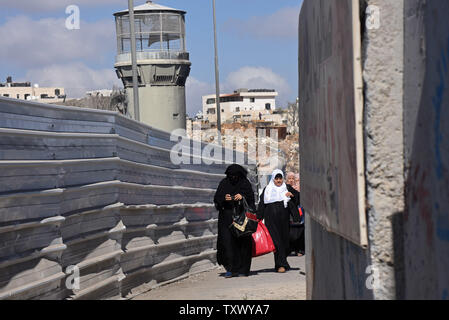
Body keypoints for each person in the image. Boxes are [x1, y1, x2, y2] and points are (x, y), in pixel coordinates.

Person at [214, 164, 256, 278]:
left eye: (235, 176)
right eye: (231, 175)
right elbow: (217, 198)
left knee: (243, 243)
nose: (233, 178)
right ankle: (230, 268)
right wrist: (224, 198)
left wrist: (242, 197)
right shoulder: (224, 183)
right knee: (227, 243)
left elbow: (251, 199)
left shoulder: (245, 183)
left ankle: (243, 269)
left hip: (242, 218)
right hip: (226, 218)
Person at [257, 169, 299, 273]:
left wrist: (292, 195)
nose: (279, 181)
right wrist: (258, 217)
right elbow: (262, 204)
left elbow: (298, 198)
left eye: (280, 178)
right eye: (277, 178)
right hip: (271, 221)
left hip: (284, 221)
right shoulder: (267, 189)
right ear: (273, 179)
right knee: (276, 242)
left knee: (285, 242)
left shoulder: (287, 188)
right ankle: (280, 265)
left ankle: (284, 262)